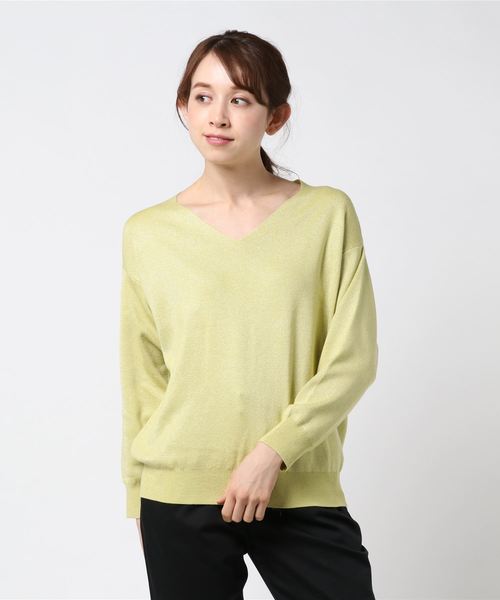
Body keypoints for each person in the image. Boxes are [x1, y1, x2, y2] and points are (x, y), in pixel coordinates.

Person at [120, 29, 379, 600]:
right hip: (178, 494)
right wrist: (140, 494)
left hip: (296, 486)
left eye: (240, 99)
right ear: (184, 106)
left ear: (275, 116)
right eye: (203, 96)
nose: (218, 115)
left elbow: (352, 359)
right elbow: (143, 375)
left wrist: (273, 453)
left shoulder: (326, 215)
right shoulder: (147, 233)